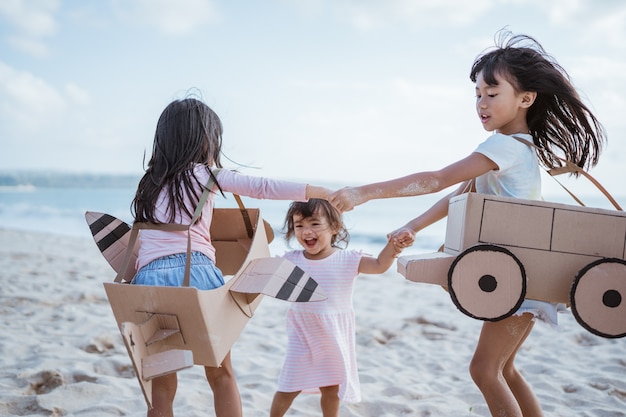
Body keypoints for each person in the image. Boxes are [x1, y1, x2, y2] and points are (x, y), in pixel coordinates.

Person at [329, 31, 606, 417]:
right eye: (477, 94)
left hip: (518, 280)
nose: (481, 103)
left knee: (485, 370)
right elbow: (459, 195)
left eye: (492, 94)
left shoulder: (504, 147)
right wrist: (414, 225)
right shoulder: (519, 147)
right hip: (524, 278)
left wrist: (365, 193)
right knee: (504, 369)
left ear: (526, 99)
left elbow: (438, 179)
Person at [130, 96, 334, 417]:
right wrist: (324, 192)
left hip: (146, 283)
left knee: (162, 380)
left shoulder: (150, 183)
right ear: (204, 139)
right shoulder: (205, 174)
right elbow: (262, 187)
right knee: (220, 373)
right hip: (195, 274)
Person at [269, 199, 405, 417]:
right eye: (299, 225)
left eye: (314, 224)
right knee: (289, 384)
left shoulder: (347, 259)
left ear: (335, 227)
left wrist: (392, 247)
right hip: (302, 335)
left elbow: (380, 265)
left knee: (331, 387)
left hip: (333, 335)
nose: (306, 231)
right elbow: (263, 271)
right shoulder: (291, 260)